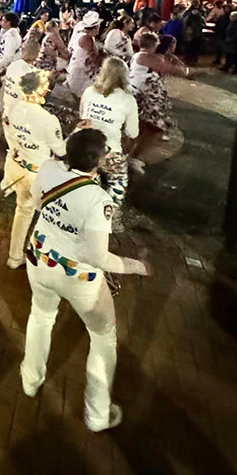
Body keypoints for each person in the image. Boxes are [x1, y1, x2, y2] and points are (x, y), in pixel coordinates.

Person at [20, 129, 149, 432]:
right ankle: (97, 414)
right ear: (96, 161)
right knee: (103, 339)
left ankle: (30, 380)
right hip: (78, 278)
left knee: (40, 317)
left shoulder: (49, 168)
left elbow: (38, 203)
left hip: (39, 259)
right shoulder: (97, 199)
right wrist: (135, 265)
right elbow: (98, 257)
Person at [1, 71, 66, 269]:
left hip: (16, 165)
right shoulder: (48, 119)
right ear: (38, 90)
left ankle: (14, 257)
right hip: (36, 174)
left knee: (23, 211)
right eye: (45, 85)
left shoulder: (13, 108)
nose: (47, 88)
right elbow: (61, 150)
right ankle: (45, 257)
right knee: (49, 214)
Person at [80, 58, 139, 223]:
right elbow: (133, 133)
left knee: (86, 177)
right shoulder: (128, 100)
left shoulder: (89, 92)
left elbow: (82, 116)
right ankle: (109, 218)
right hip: (109, 151)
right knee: (118, 180)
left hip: (85, 147)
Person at [128, 33, 189, 173]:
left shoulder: (141, 56)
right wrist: (175, 60)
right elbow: (179, 71)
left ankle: (131, 156)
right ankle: (133, 158)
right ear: (153, 45)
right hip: (142, 98)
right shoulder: (146, 57)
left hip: (143, 97)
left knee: (142, 128)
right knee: (155, 130)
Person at [0, 38, 41, 117]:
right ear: (37, 54)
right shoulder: (32, 73)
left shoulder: (13, 65)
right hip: (19, 114)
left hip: (6, 108)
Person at [66, 11, 102, 98]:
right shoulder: (86, 39)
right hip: (79, 77)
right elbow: (94, 59)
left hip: (77, 73)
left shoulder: (83, 35)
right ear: (96, 27)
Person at [181, 1, 205, 66]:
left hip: (197, 33)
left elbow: (203, 23)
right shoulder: (188, 12)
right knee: (189, 46)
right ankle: (188, 58)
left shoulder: (201, 13)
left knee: (195, 47)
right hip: (189, 33)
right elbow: (185, 21)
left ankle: (194, 59)